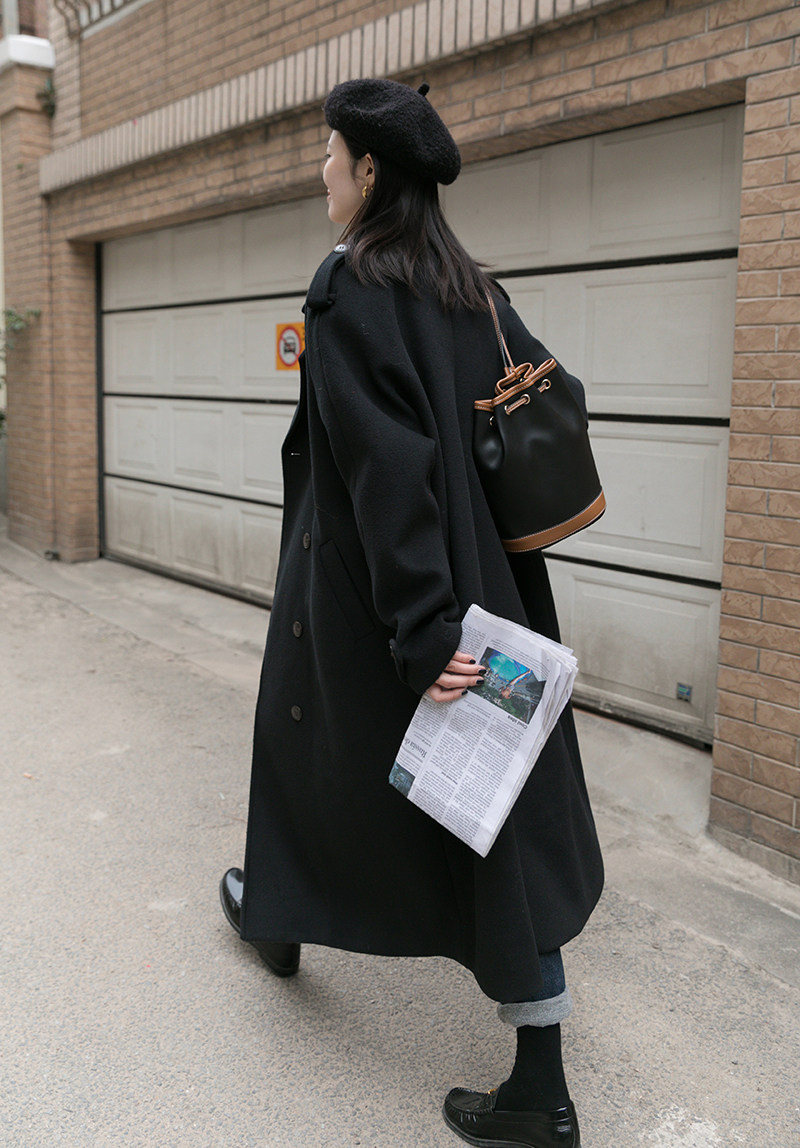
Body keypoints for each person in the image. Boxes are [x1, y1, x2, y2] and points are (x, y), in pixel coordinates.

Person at [219, 78, 603, 1148]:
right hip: (482, 589)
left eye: (329, 154)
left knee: (310, 743)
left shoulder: (351, 286)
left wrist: (426, 631)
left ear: (370, 169)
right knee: (492, 809)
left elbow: (389, 474)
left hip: (379, 597)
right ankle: (279, 911)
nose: (320, 171)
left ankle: (537, 1095)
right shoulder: (469, 287)